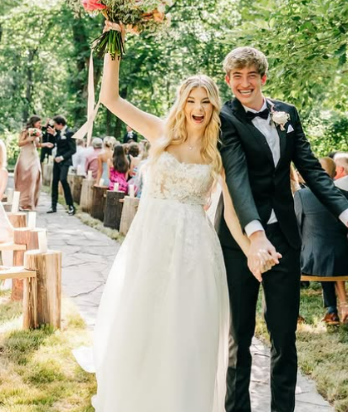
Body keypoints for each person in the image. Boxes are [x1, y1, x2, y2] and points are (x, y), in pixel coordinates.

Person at [89, 23, 246, 412]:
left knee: (186, 332)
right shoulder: (159, 132)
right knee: (144, 325)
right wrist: (115, 39)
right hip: (151, 243)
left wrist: (251, 249)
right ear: (182, 102)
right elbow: (110, 98)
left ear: (214, 107)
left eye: (206, 102)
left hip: (195, 249)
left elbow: (234, 211)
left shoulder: (217, 154)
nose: (198, 108)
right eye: (192, 100)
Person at [215, 46, 348, 412]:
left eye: (251, 75)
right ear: (228, 80)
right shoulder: (224, 118)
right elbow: (236, 178)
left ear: (263, 78)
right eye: (236, 76)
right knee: (240, 333)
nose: (244, 83)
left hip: (284, 236)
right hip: (240, 240)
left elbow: (312, 170)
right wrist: (254, 235)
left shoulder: (287, 114)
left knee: (284, 333)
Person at [294, 157, 348, 325]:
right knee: (326, 254)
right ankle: (332, 311)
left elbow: (296, 228)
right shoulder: (347, 195)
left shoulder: (301, 195)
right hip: (341, 259)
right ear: (335, 174)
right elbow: (347, 228)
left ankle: (294, 312)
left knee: (312, 253)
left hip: (312, 260)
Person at [14, 115, 48, 210]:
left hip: (34, 157)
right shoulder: (25, 131)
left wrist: (45, 144)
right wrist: (28, 139)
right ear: (34, 122)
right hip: (25, 156)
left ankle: (30, 203)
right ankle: (22, 202)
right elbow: (19, 143)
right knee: (24, 179)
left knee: (34, 178)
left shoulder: (38, 132)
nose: (40, 125)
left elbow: (36, 145)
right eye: (39, 122)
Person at [46, 115, 77, 215]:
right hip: (57, 161)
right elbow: (58, 142)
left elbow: (73, 149)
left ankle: (71, 206)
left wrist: (62, 157)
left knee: (63, 180)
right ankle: (53, 205)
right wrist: (54, 134)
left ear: (60, 124)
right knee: (54, 182)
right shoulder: (58, 133)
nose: (54, 126)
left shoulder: (70, 133)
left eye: (55, 125)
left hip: (65, 161)